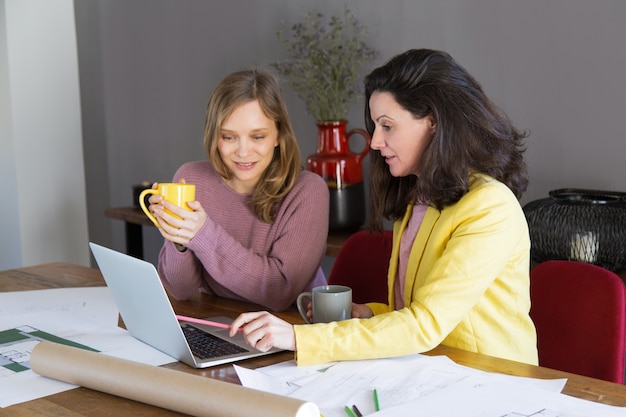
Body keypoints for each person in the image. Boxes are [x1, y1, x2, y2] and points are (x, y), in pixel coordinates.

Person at [230, 49, 539, 366]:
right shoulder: (419, 199)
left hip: (493, 384)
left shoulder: (490, 207)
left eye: (387, 126)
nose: (375, 142)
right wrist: (370, 313)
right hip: (431, 372)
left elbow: (425, 324)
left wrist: (297, 338)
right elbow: (416, 311)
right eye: (376, 126)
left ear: (433, 121)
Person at [148, 69, 329, 312]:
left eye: (257, 137)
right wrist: (178, 239)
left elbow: (280, 292)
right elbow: (180, 290)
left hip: (290, 331)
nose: (243, 152)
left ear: (279, 135)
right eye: (229, 137)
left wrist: (202, 233)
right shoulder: (190, 179)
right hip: (221, 322)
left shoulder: (308, 191)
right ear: (215, 136)